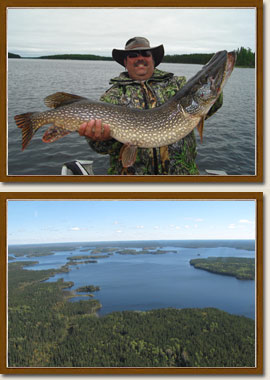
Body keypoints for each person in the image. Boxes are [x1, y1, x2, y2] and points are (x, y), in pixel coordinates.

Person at [78, 37, 223, 175]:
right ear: (125, 62)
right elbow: (101, 149)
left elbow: (210, 106)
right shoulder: (112, 97)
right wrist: (98, 139)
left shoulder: (178, 85)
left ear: (153, 59)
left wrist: (216, 88)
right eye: (133, 55)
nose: (140, 58)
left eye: (145, 54)